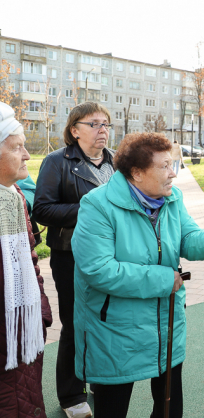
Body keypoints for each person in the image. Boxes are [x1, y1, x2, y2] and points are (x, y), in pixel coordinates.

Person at [71, 132, 204, 418]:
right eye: (164, 166)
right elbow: (99, 270)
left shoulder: (171, 198)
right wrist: (164, 280)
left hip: (166, 322)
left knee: (169, 409)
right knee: (112, 409)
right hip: (115, 328)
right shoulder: (97, 205)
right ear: (137, 173)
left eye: (172, 164)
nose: (173, 173)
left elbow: (185, 235)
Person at [32, 102, 116, 418]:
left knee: (106, 320)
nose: (102, 129)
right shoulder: (57, 162)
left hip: (112, 256)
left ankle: (99, 379)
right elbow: (41, 209)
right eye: (94, 123)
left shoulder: (116, 162)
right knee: (75, 323)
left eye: (106, 123)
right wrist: (89, 209)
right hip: (71, 255)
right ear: (74, 130)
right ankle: (71, 395)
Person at [0, 103, 52, 418]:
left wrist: (40, 309)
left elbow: (30, 263)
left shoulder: (13, 197)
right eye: (18, 147)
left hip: (22, 334)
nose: (28, 155)